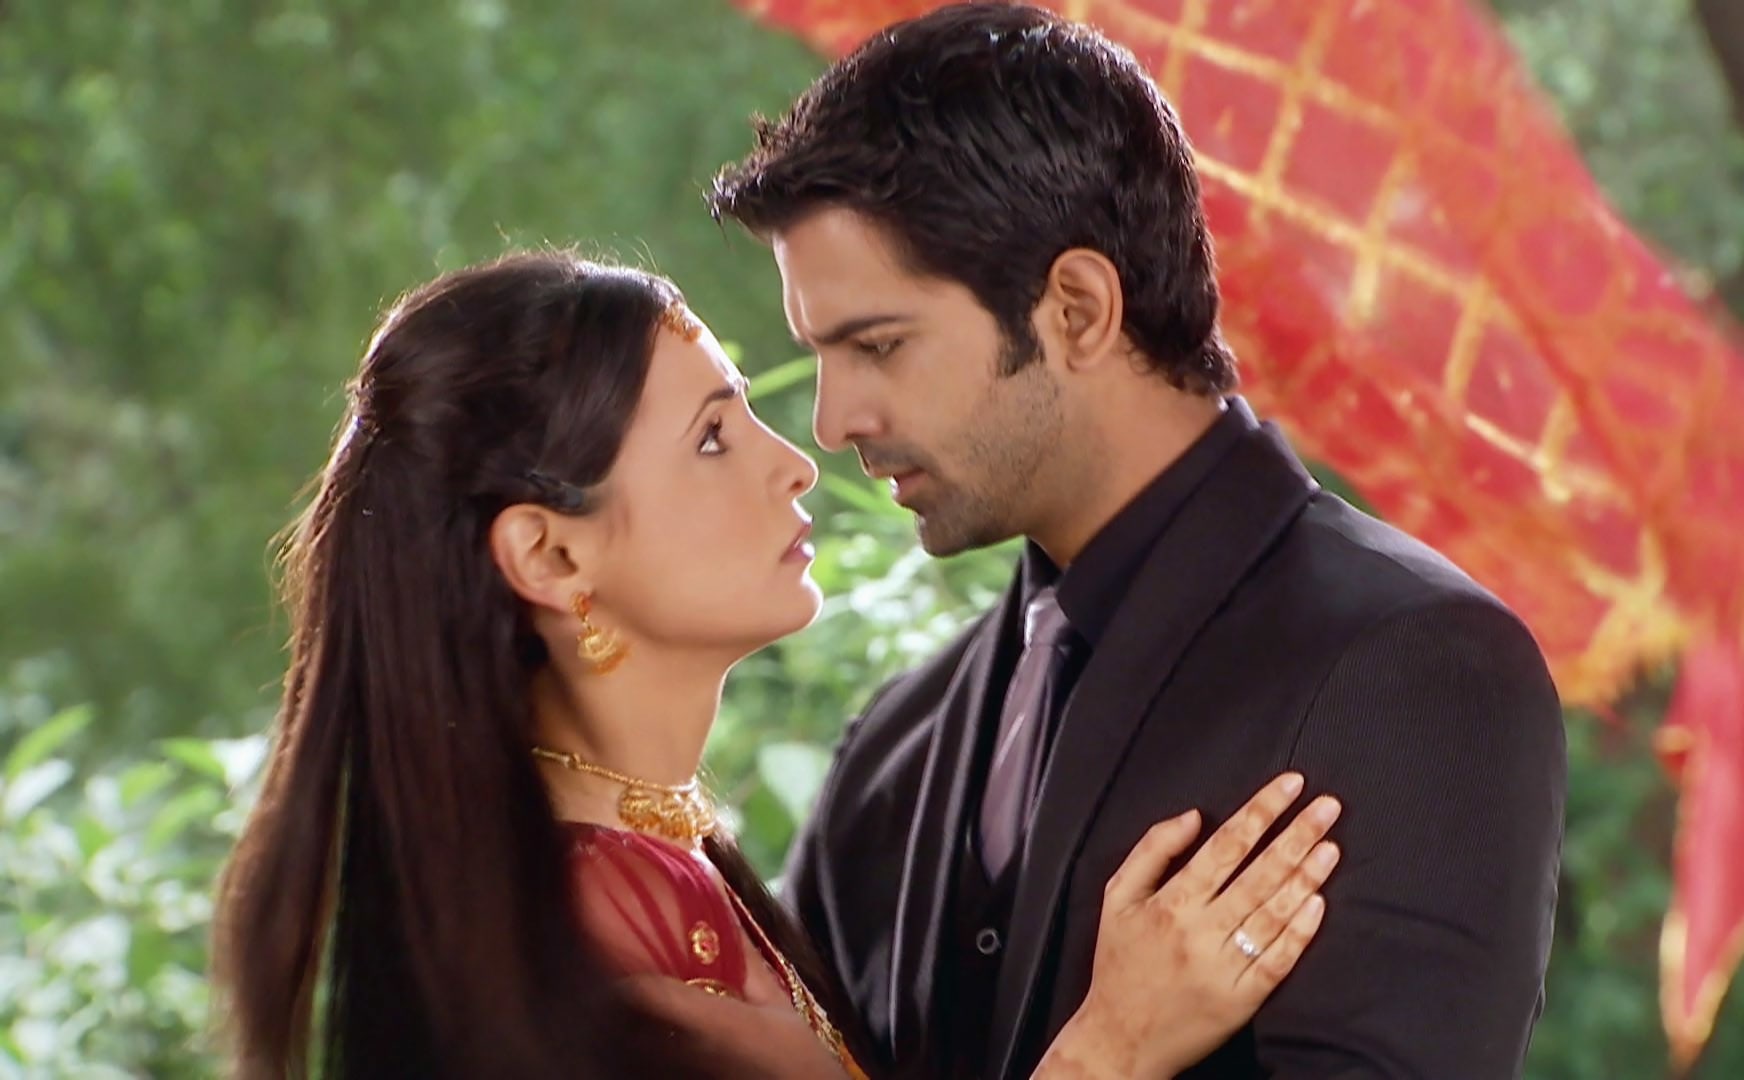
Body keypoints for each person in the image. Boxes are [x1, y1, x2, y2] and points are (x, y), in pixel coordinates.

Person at [209, 250, 1345, 1079]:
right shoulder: (594, 942)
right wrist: (1116, 1045)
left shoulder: (654, 871)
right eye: (711, 438)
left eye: (747, 411)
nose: (795, 464)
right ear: (551, 556)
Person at [707, 4, 1568, 1078]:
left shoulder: (1412, 670)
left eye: (878, 346)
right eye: (822, 354)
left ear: (1077, 309)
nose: (833, 421)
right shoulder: (897, 746)